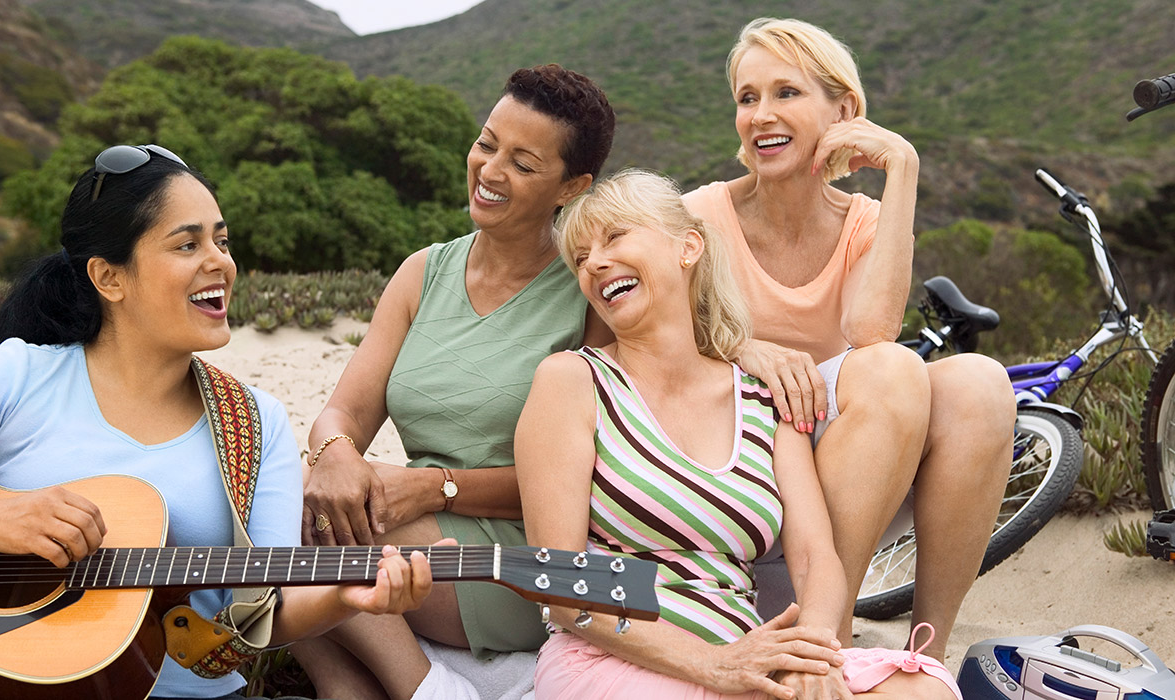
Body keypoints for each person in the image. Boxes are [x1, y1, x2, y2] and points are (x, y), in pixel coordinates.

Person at [0, 144, 435, 700]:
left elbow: (269, 607)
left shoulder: (252, 422)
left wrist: (345, 597)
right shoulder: (11, 379)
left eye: (221, 241)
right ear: (109, 277)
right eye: (187, 243)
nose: (220, 261)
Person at [517, 168, 960, 700]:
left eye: (614, 237)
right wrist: (713, 665)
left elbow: (817, 558)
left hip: (743, 655)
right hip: (615, 659)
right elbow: (563, 585)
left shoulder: (760, 396)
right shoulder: (571, 380)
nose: (594, 262)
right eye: (581, 258)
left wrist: (814, 653)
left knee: (923, 688)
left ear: (688, 247)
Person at [682, 17, 1015, 660]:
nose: (760, 115)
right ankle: (824, 641)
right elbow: (641, 348)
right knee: (890, 369)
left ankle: (921, 659)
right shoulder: (699, 216)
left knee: (978, 382)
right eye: (747, 98)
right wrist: (740, 347)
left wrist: (903, 170)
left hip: (845, 479)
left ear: (845, 111)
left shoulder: (863, 220)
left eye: (786, 93)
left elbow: (870, 333)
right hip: (735, 474)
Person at [292, 64, 617, 699]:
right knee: (290, 498)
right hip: (416, 523)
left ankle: (420, 687)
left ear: (571, 186)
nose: (491, 171)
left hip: (525, 558)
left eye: (523, 163)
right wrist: (332, 456)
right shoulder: (423, 272)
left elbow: (601, 484)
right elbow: (345, 413)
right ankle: (344, 691)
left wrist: (435, 488)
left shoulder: (587, 295)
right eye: (487, 143)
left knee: (313, 534)